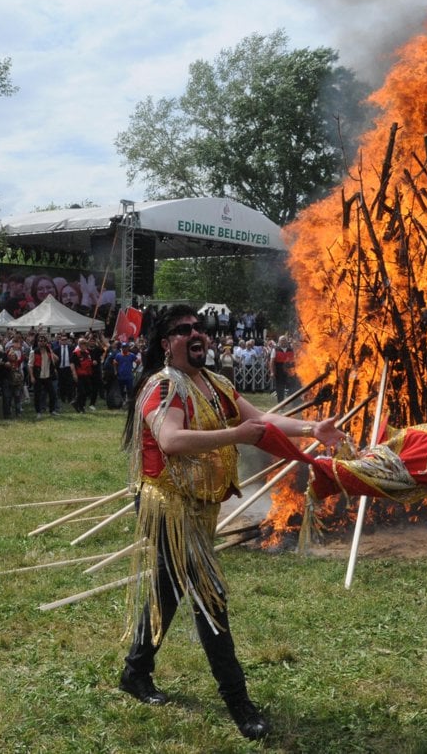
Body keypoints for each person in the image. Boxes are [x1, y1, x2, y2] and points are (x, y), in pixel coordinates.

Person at [118, 304, 345, 740]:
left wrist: (312, 429)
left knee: (168, 592)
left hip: (201, 508)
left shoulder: (216, 383)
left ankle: (135, 671)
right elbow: (171, 439)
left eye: (199, 327)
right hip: (168, 505)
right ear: (167, 344)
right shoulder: (162, 387)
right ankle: (239, 703)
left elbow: (261, 420)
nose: (196, 333)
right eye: (184, 330)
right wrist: (235, 436)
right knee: (210, 598)